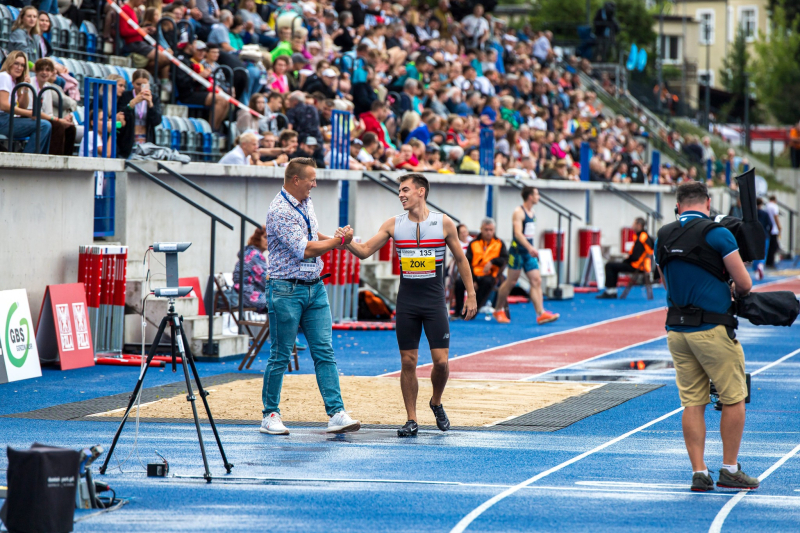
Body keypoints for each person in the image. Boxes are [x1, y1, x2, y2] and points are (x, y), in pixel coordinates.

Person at [339, 174, 477, 437]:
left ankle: (436, 401)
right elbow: (366, 250)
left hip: (434, 301)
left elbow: (461, 259)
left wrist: (470, 294)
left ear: (421, 192)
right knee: (408, 361)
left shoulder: (443, 222)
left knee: (441, 362)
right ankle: (411, 419)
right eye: (399, 191)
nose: (400, 195)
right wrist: (347, 243)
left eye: (405, 190)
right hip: (407, 303)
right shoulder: (394, 224)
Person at [655, 181, 757, 492]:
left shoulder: (663, 235)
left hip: (677, 330)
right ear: (708, 204)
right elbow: (745, 284)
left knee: (693, 402)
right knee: (734, 396)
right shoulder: (718, 233)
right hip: (712, 329)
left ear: (678, 205)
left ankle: (699, 472)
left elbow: (665, 283)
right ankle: (729, 468)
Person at [261, 157, 361, 435]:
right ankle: (270, 414)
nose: (315, 184)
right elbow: (304, 249)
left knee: (324, 351)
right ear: (295, 180)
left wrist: (334, 240)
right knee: (280, 354)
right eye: (311, 180)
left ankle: (337, 412)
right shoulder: (279, 210)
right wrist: (339, 242)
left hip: (314, 286)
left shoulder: (305, 202)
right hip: (285, 289)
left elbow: (311, 232)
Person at [493, 187, 560, 324]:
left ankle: (540, 313)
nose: (538, 197)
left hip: (528, 253)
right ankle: (498, 309)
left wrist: (530, 248)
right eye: (536, 194)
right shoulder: (519, 212)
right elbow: (518, 233)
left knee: (536, 280)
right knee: (511, 281)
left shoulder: (532, 212)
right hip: (517, 252)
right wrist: (530, 247)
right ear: (530, 196)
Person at [0, 51, 52, 154]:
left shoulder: (15, 81)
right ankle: (28, 160)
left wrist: (26, 88)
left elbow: (23, 106)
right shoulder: (4, 76)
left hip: (8, 119)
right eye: (16, 63)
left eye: (22, 65)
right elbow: (4, 105)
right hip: (2, 120)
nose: (19, 68)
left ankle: (38, 160)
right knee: (44, 126)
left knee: (46, 125)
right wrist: (29, 113)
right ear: (9, 63)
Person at [455, 218, 507, 317]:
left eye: (491, 230)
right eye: (486, 229)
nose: (488, 232)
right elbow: (467, 263)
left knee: (487, 283)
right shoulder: (473, 243)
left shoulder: (499, 243)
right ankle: (458, 311)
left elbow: (505, 259)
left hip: (489, 275)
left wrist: (492, 262)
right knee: (459, 283)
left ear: (494, 230)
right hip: (473, 274)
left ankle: (472, 312)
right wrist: (472, 280)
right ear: (481, 229)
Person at [596, 217, 654, 299]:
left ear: (639, 225)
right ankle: (611, 291)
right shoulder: (644, 236)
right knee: (614, 266)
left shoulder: (642, 237)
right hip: (642, 266)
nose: (632, 226)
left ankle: (610, 291)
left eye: (634, 224)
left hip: (638, 266)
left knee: (609, 265)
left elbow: (635, 256)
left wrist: (626, 260)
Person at [30, 58, 75, 156]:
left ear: (51, 72)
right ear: (36, 72)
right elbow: (31, 112)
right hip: (31, 118)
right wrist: (58, 120)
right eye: (41, 70)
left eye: (47, 70)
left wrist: (62, 120)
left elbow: (49, 112)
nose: (44, 73)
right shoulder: (30, 85)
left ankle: (65, 160)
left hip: (43, 118)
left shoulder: (48, 87)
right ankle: (54, 159)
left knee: (70, 128)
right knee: (57, 126)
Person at [117, 69, 162, 159]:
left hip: (146, 143)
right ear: (132, 83)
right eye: (138, 84)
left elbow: (157, 121)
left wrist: (150, 104)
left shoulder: (154, 98)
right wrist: (133, 103)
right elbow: (120, 115)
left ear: (148, 84)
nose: (141, 88)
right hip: (128, 142)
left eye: (144, 84)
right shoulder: (126, 96)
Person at [230, 225, 268, 312]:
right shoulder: (255, 255)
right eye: (265, 237)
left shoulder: (249, 252)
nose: (268, 241)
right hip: (248, 295)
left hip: (244, 294)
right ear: (258, 238)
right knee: (284, 301)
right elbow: (265, 281)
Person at [753, 198, 772, 280]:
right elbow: (770, 224)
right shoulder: (765, 213)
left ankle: (756, 270)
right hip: (764, 235)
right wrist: (768, 232)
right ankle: (761, 264)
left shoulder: (753, 214)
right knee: (763, 252)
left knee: (755, 252)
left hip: (754, 235)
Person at [765, 195, 781, 267]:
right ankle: (770, 262)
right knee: (774, 246)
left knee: (769, 246)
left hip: (768, 227)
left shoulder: (766, 206)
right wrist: (779, 227)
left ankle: (768, 261)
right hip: (774, 228)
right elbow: (776, 216)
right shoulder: (774, 206)